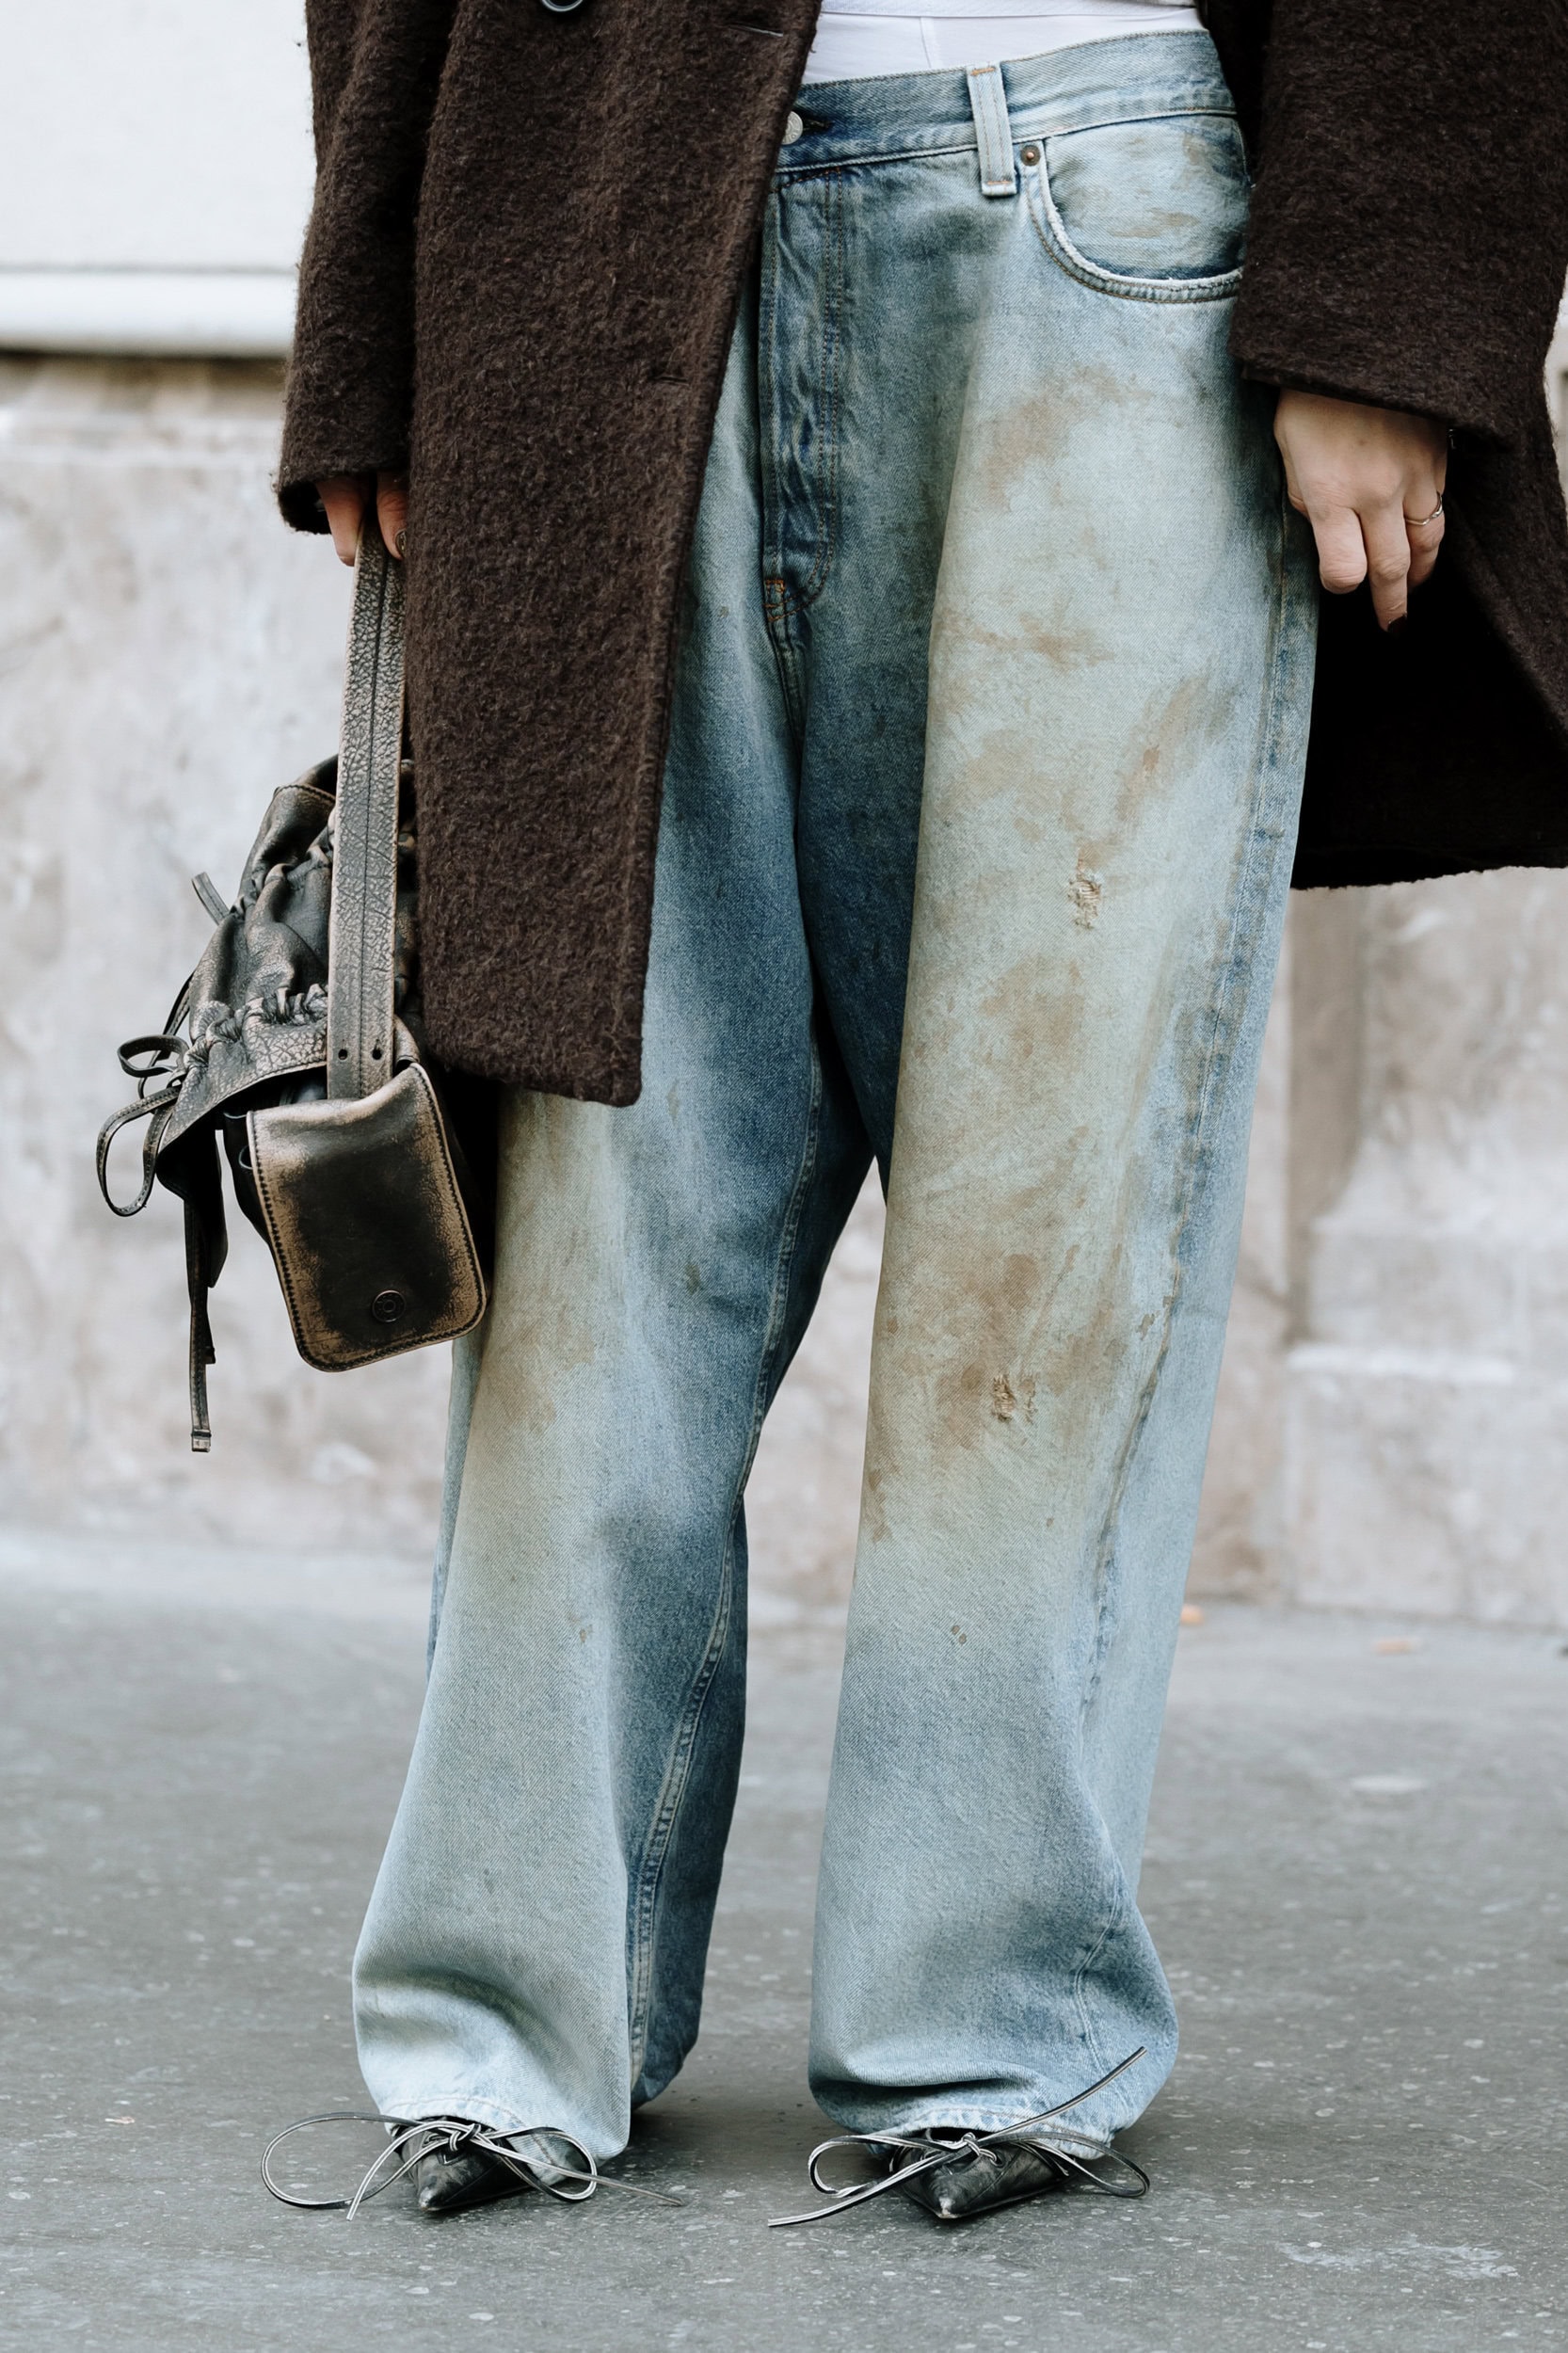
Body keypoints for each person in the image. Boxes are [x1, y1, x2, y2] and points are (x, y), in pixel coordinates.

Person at [269, 0, 1568, 2223]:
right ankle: (508, 2014)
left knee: (1048, 1204)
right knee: (593, 1197)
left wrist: (1390, 297)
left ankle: (988, 2020)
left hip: (1111, 194)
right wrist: (373, 308)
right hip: (597, 207)